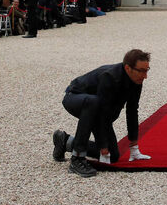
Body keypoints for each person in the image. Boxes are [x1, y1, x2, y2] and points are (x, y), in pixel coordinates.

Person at [52, 49, 152, 177]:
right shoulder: (109, 77)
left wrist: (133, 143)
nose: (145, 76)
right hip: (75, 98)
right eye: (142, 71)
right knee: (94, 102)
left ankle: (65, 141)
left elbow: (132, 110)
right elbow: (102, 113)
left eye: (147, 70)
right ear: (128, 68)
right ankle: (77, 158)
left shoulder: (136, 80)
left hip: (96, 110)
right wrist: (102, 143)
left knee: (113, 156)